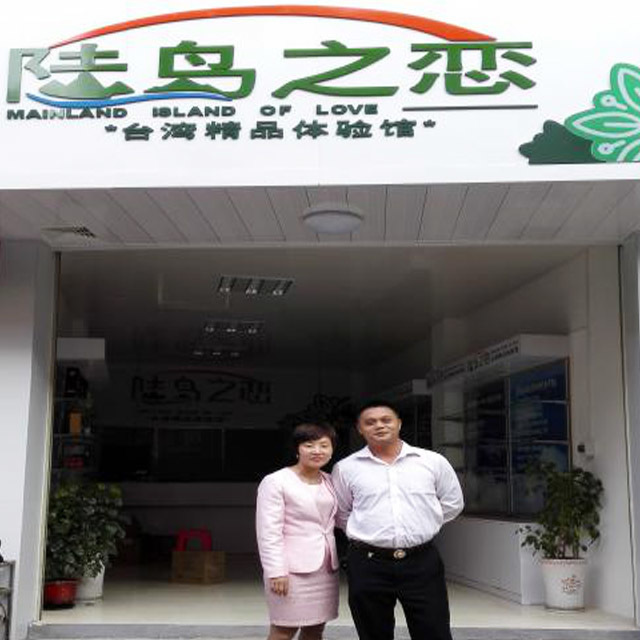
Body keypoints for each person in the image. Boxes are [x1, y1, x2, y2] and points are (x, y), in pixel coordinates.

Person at [331, 400, 464, 640]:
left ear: (399, 424)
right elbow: (341, 513)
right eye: (370, 422)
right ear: (360, 429)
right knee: (373, 634)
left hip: (422, 561)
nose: (379, 426)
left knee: (434, 631)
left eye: (386, 420)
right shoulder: (346, 468)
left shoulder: (432, 461)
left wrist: (424, 523)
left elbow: (453, 502)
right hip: (368, 563)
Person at [256, 423, 340, 640]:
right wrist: (276, 571)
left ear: (332, 450)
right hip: (290, 570)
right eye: (309, 445)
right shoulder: (276, 481)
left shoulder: (330, 480)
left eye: (324, 445)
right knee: (283, 630)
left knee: (315, 629)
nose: (317, 451)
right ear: (297, 449)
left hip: (325, 568)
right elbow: (268, 532)